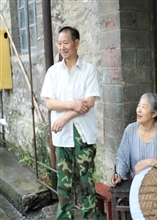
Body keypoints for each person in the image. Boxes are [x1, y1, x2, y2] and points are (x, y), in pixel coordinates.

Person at [41, 26, 100, 220]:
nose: (62, 47)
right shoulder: (53, 72)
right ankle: (64, 217)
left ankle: (90, 217)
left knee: (86, 182)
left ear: (76, 43)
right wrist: (72, 104)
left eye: (66, 42)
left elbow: (89, 102)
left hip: (82, 133)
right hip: (62, 136)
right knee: (64, 184)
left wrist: (65, 116)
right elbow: (49, 102)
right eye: (59, 43)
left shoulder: (89, 70)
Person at [110, 93, 157, 187]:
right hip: (137, 182)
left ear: (154, 113)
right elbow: (122, 158)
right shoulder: (130, 130)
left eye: (143, 107)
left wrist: (149, 162)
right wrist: (118, 174)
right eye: (138, 106)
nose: (138, 110)